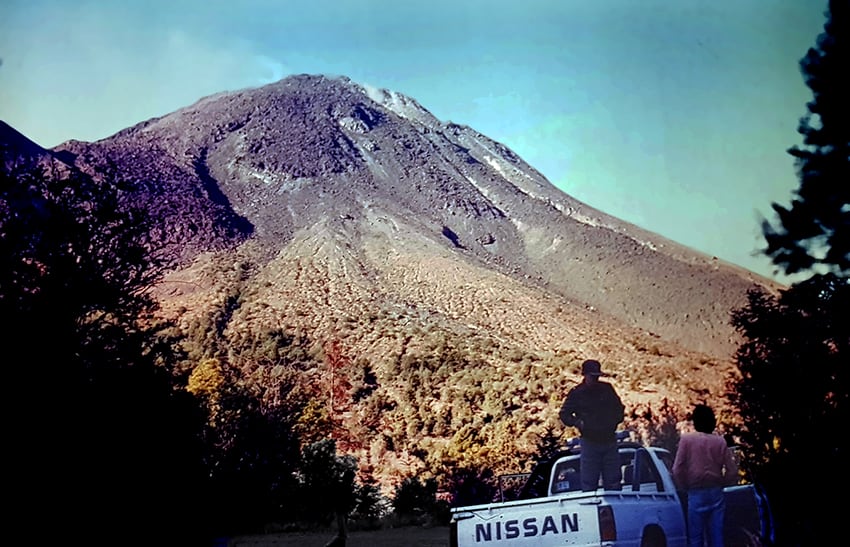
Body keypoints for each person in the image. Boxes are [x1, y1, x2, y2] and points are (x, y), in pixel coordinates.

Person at [672, 404, 739, 547]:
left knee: (695, 537)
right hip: (716, 491)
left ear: (695, 421)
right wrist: (723, 483)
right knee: (717, 535)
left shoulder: (687, 440)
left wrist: (684, 487)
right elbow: (732, 470)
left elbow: (677, 469)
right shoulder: (720, 441)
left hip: (695, 491)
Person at [559, 359, 625, 491]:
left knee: (614, 481)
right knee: (589, 483)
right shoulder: (577, 393)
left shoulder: (607, 389)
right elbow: (564, 414)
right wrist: (578, 423)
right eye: (592, 376)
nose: (595, 379)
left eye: (597, 376)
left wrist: (613, 422)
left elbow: (619, 408)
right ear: (585, 375)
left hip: (609, 440)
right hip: (590, 442)